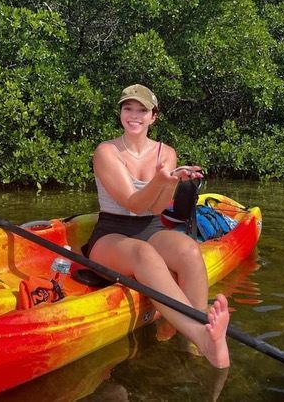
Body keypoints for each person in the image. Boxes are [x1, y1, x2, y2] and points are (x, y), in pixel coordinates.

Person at [84, 84, 230, 369]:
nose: (134, 115)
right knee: (144, 254)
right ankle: (200, 333)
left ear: (154, 117)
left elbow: (158, 209)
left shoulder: (166, 153)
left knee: (188, 248)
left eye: (142, 110)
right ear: (120, 113)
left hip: (151, 228)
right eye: (128, 108)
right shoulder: (106, 152)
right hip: (111, 234)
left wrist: (172, 181)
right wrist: (161, 180)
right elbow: (134, 203)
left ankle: (196, 336)